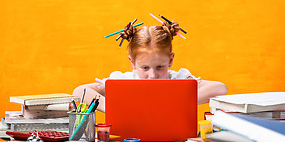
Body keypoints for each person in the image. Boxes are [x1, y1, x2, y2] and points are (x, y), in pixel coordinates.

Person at [73, 20, 228, 112]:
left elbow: (220, 88)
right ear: (132, 63)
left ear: (170, 60)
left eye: (160, 67)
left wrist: (176, 102)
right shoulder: (123, 82)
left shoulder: (178, 80)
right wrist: (113, 108)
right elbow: (80, 91)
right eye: (145, 68)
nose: (153, 75)